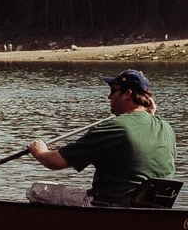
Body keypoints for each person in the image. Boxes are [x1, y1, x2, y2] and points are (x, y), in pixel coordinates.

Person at [24, 70, 177, 207]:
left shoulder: (115, 128)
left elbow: (57, 162)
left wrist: (40, 152)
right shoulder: (166, 128)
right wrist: (149, 115)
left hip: (109, 204)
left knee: (37, 190)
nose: (109, 96)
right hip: (153, 206)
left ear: (127, 94)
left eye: (113, 91)